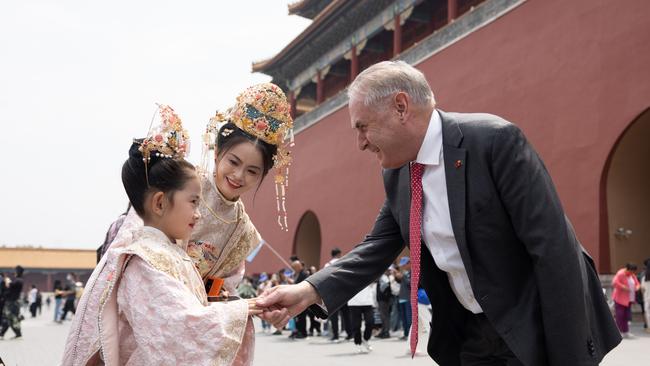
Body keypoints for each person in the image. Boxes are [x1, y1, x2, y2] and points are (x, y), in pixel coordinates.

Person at [257, 60, 621, 365]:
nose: (360, 142)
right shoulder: (399, 174)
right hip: (471, 336)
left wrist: (570, 356)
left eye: (363, 126)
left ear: (401, 107)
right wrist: (307, 291)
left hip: (531, 326)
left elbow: (554, 251)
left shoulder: (493, 142)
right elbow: (377, 247)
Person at [61, 104, 266, 365]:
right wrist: (243, 309)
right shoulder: (146, 257)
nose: (239, 175)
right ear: (217, 155)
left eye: (252, 171)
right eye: (233, 162)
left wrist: (225, 300)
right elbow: (176, 325)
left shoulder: (242, 231)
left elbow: (218, 290)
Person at [612, 263, 640, 338]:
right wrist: (623, 287)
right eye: (631, 271)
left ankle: (625, 331)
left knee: (626, 316)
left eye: (633, 272)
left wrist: (637, 287)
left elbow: (637, 283)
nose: (632, 273)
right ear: (627, 269)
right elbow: (614, 282)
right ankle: (618, 332)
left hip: (629, 299)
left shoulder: (632, 275)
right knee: (619, 315)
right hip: (620, 298)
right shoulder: (620, 273)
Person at [347, 282, 376, 353]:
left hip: (367, 302)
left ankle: (366, 339)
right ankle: (358, 343)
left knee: (370, 322)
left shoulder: (368, 271)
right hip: (354, 302)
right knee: (356, 325)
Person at [0, 265, 24, 340]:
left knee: (11, 318)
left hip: (12, 303)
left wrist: (8, 282)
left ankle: (16, 334)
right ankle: (15, 334)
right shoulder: (19, 280)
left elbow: (10, 286)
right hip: (12, 302)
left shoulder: (18, 280)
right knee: (11, 318)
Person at [642, 258, 650, 334]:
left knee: (647, 312)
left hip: (647, 297)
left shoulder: (645, 278)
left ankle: (649, 327)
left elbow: (642, 289)